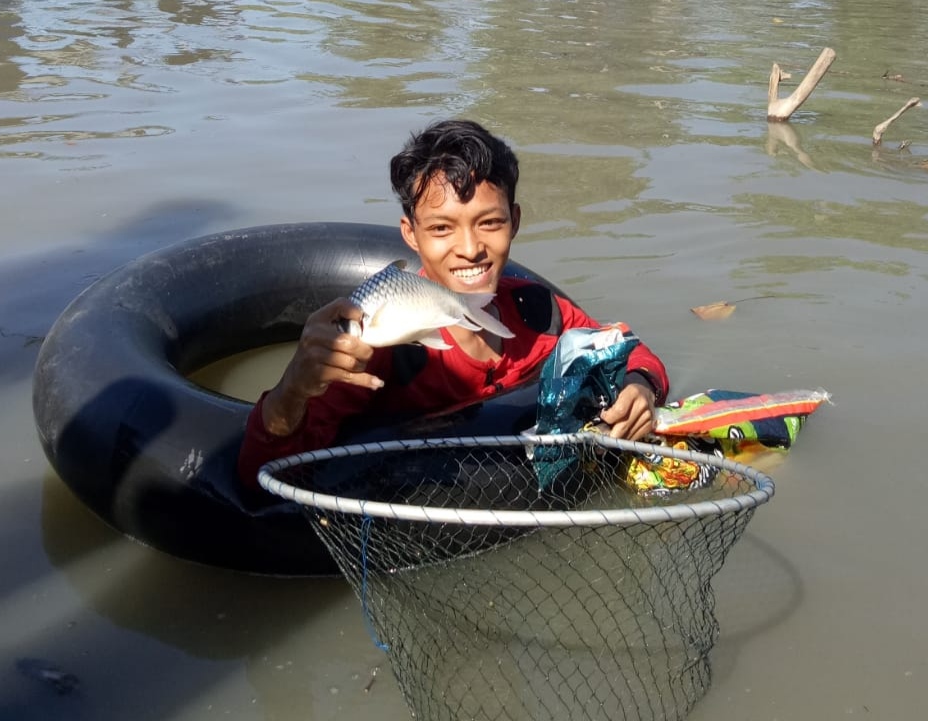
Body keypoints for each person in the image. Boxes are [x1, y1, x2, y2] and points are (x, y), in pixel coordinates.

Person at [238, 119, 669, 487]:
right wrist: (293, 388)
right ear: (411, 234)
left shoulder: (540, 314)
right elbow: (263, 478)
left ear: (514, 222)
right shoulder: (379, 344)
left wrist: (640, 388)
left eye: (490, 223)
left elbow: (628, 349)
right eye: (442, 228)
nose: (470, 248)